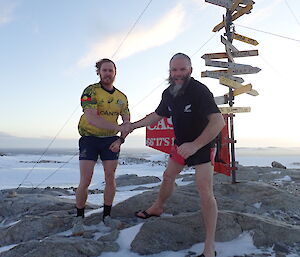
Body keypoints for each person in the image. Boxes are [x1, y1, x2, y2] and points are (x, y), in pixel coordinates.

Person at [130, 53, 225, 257]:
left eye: (182, 69)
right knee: (168, 176)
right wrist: (132, 126)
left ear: (190, 70)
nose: (178, 74)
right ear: (170, 71)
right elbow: (157, 115)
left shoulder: (199, 91)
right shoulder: (169, 93)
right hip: (181, 145)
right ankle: (157, 207)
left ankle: (210, 247)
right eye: (174, 70)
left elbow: (218, 122)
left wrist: (195, 145)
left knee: (204, 190)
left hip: (203, 144)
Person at [72, 58, 130, 236]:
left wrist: (120, 139)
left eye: (110, 70)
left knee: (110, 178)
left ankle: (107, 216)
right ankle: (79, 218)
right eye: (104, 70)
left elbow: (126, 122)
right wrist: (119, 128)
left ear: (115, 73)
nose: (107, 73)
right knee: (86, 180)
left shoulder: (121, 97)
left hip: (110, 140)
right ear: (99, 72)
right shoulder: (90, 91)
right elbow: (92, 118)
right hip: (89, 138)